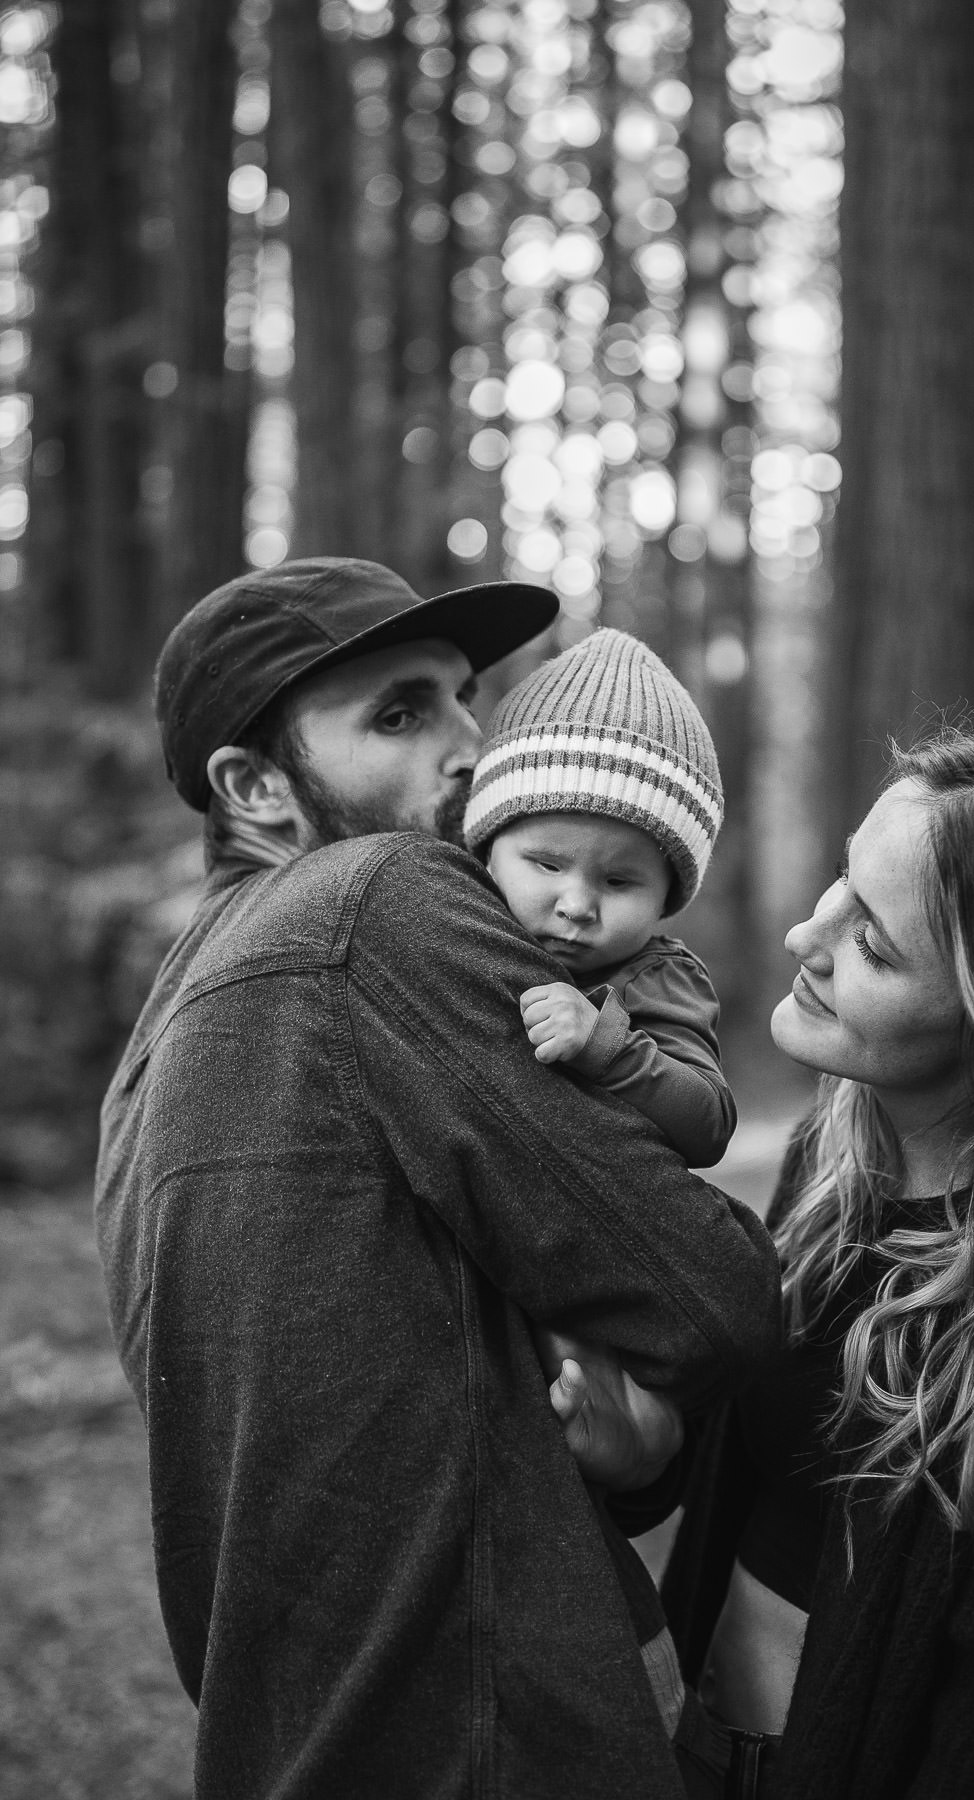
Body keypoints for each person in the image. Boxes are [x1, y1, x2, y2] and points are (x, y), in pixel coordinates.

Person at [92, 556, 782, 1800]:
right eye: (400, 716)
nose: (474, 746)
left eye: (465, 697)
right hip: (487, 1731)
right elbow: (711, 1295)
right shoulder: (376, 901)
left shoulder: (160, 1038)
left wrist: (631, 1450)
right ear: (254, 786)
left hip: (301, 1730)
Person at [591, 720, 974, 1799]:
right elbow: (790, 1488)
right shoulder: (836, 1157)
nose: (802, 937)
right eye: (840, 882)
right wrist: (651, 1462)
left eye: (874, 943)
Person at [463, 625, 736, 1169]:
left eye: (618, 882)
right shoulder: (456, 923)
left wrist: (607, 1046)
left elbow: (710, 1126)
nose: (578, 906)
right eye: (547, 864)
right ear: (488, 852)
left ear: (667, 897)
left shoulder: (660, 979)